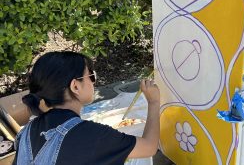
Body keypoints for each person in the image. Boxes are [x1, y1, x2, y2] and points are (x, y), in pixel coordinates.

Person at [12, 51, 160, 165]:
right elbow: (149, 147)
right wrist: (153, 102)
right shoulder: (91, 135)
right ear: (75, 86)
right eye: (91, 76)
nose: (93, 82)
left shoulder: (27, 130)